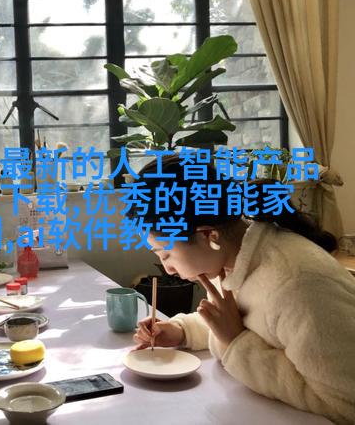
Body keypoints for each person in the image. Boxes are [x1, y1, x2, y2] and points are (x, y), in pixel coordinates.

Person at [128, 154, 355, 424]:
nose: (168, 270)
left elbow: (344, 403)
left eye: (166, 254)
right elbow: (254, 323)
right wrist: (182, 331)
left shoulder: (298, 285)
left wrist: (236, 343)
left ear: (208, 235)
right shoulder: (233, 258)